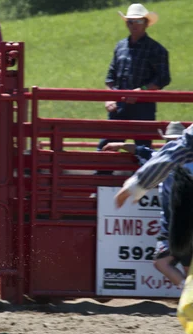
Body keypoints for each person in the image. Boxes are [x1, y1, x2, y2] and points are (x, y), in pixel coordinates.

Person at [104, 122, 191, 287]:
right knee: (174, 264)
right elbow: (141, 151)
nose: (171, 143)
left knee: (166, 262)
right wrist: (121, 145)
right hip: (174, 225)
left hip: (177, 224)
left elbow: (145, 153)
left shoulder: (163, 159)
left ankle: (188, 293)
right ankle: (187, 293)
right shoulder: (165, 158)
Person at [97, 3, 170, 163]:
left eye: (138, 21)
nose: (134, 25)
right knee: (106, 146)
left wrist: (141, 91)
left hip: (143, 107)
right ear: (126, 23)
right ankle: (100, 182)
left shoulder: (156, 49)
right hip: (119, 106)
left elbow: (163, 78)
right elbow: (110, 77)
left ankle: (143, 184)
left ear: (145, 23)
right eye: (130, 21)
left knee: (142, 149)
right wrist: (109, 98)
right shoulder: (120, 46)